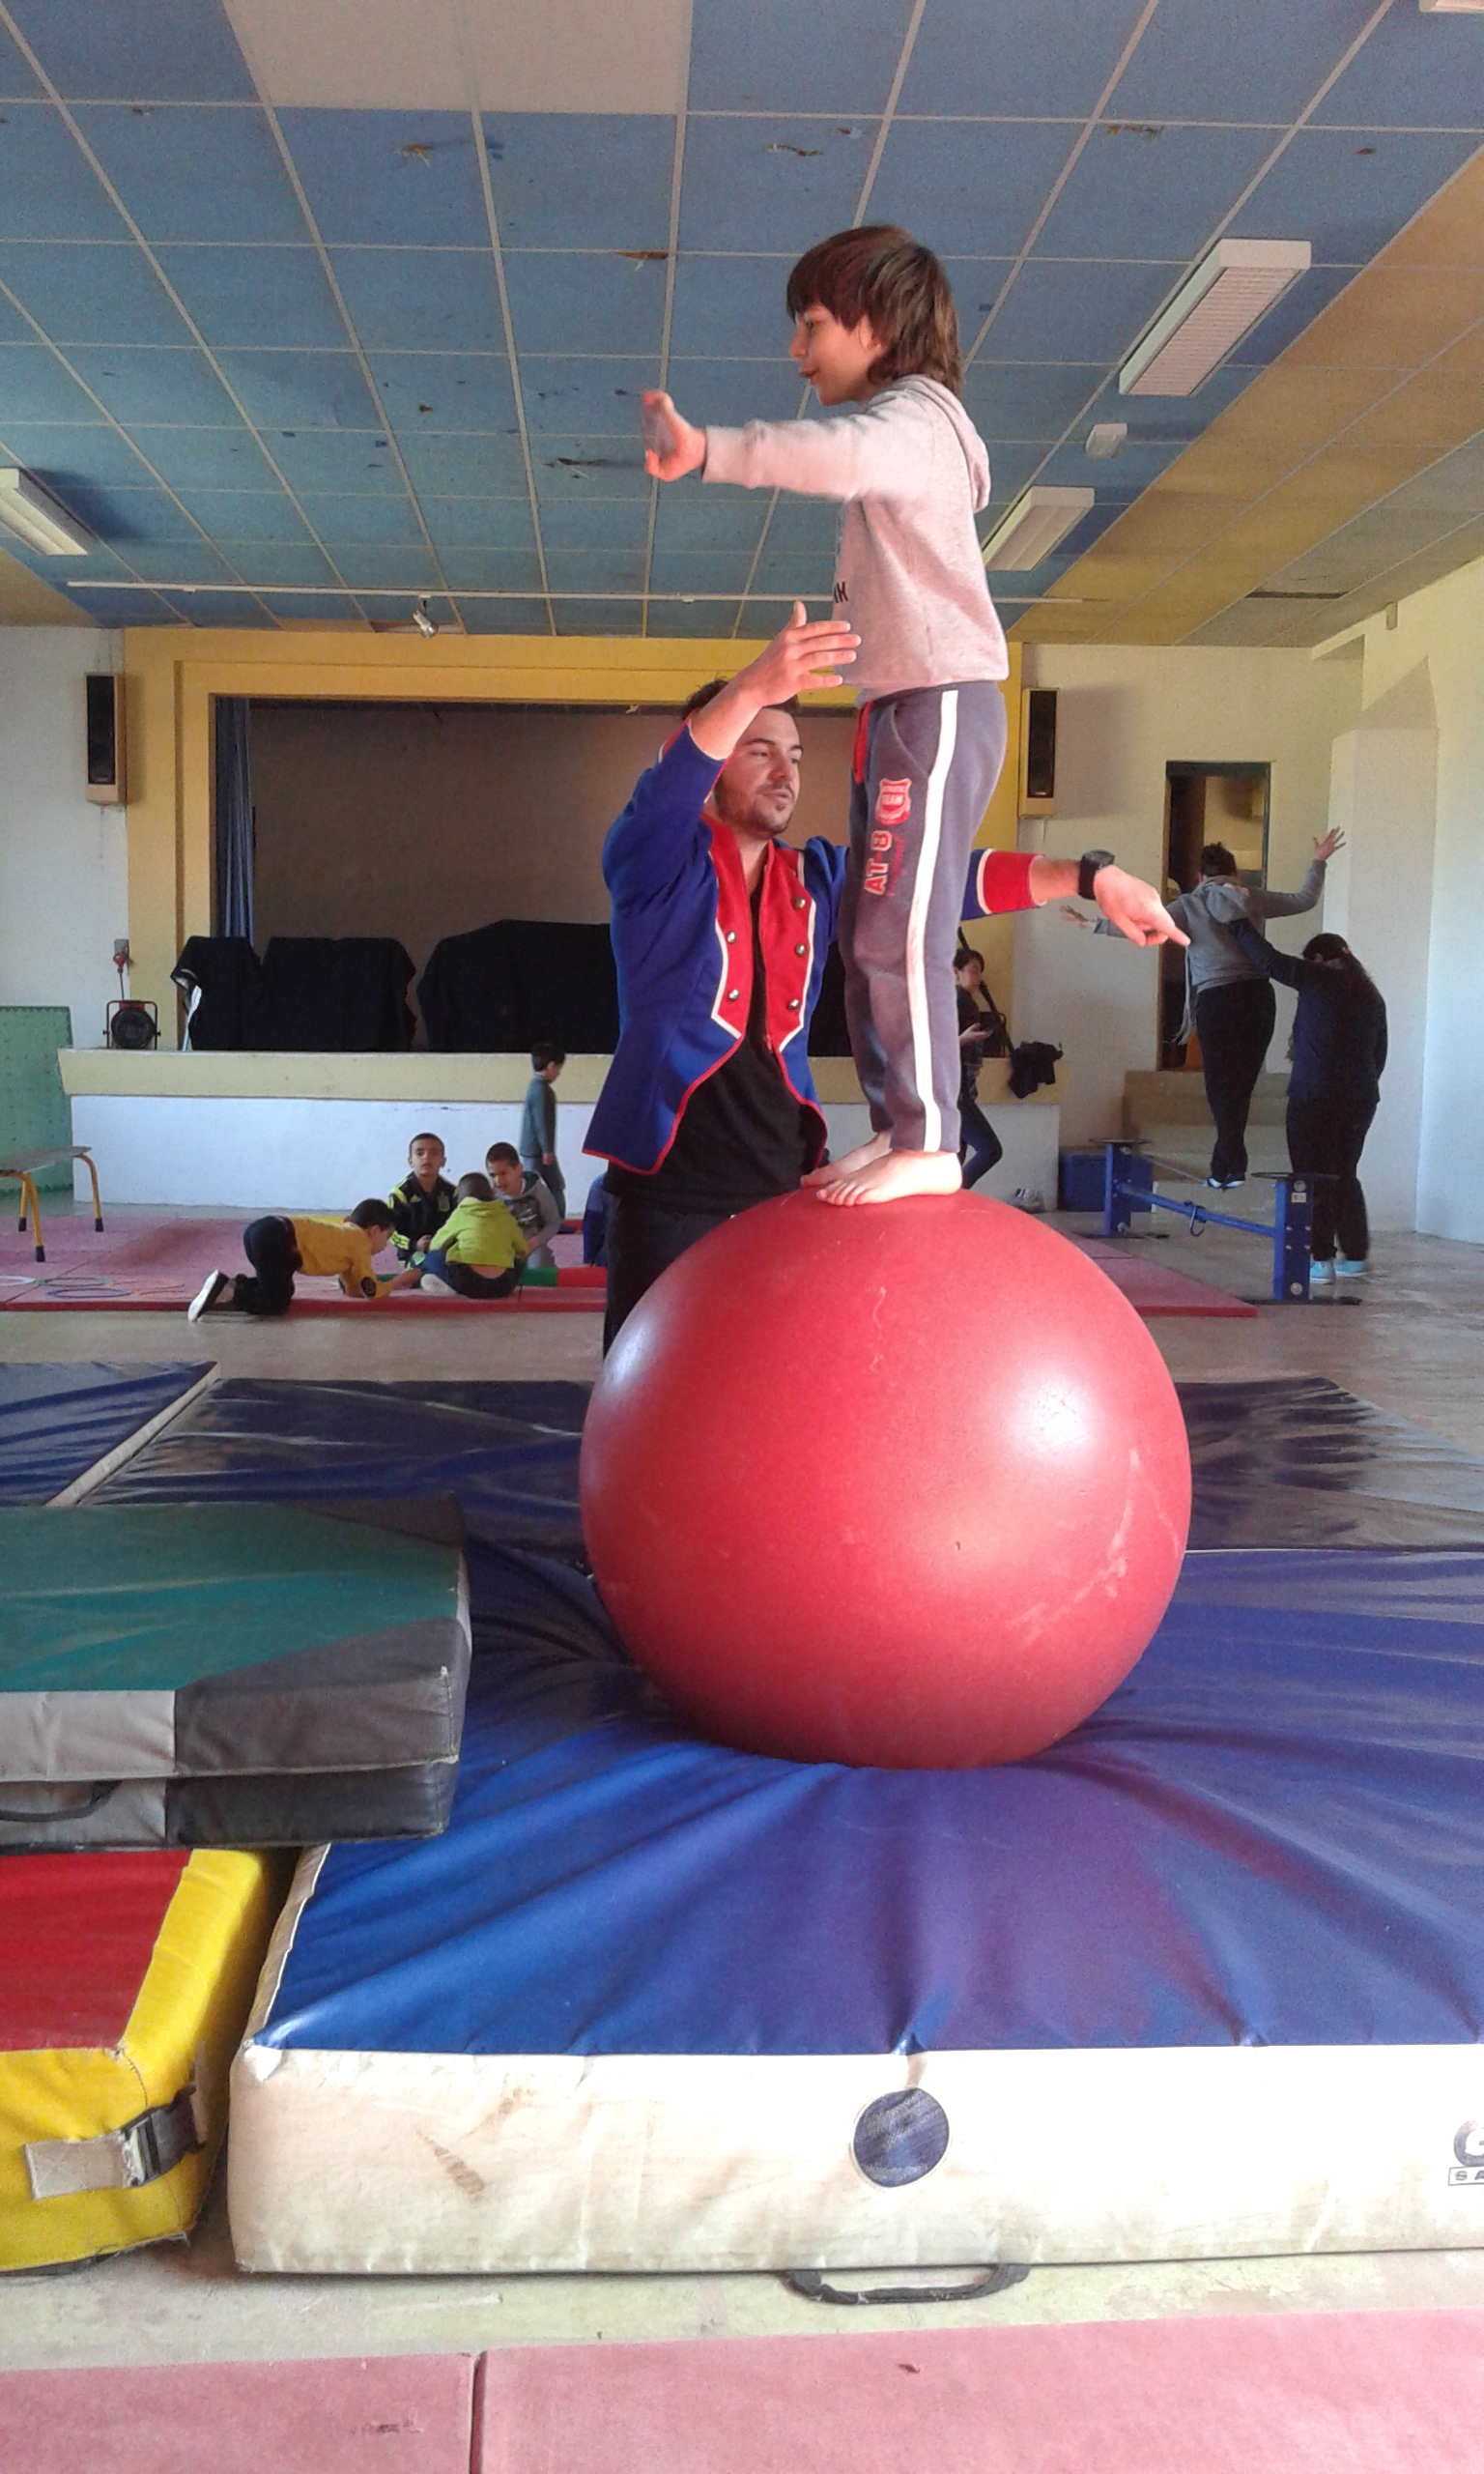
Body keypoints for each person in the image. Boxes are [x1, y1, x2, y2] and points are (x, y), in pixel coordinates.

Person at [643, 223, 1184, 1207]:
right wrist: (1087, 874)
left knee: (899, 928)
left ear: (878, 328)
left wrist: (713, 450)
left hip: (938, 703)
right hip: (901, 706)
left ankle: (932, 1138)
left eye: (811, 326)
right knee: (870, 920)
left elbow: (833, 457)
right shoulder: (914, 429)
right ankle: (902, 1125)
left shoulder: (913, 423)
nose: (796, 351)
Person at [586, 606, 1182, 1349]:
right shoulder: (650, 865)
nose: (785, 773)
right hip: (666, 1193)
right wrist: (750, 687)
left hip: (782, 1182)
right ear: (711, 767)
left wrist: (1087, 877)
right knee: (651, 1387)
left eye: (795, 756)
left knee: (772, 1380)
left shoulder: (817, 876)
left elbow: (938, 881)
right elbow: (665, 792)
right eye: (758, 751)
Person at [1078, 832, 1343, 1188]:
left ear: (1200, 876)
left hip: (1218, 1000)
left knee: (1221, 1087)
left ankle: (1229, 1167)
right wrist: (1318, 860)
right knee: (1242, 1086)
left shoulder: (1190, 905)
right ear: (1234, 873)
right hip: (1258, 997)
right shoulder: (1250, 897)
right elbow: (1303, 900)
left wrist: (1092, 924)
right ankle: (1226, 1166)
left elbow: (1142, 926)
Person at [1228, 922, 1387, 1282]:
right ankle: (1355, 1256)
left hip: (1314, 1096)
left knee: (1310, 1177)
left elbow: (1270, 961)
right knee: (1344, 1173)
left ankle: (1320, 1259)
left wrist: (1238, 925)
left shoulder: (1320, 979)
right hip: (1360, 1099)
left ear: (1316, 959)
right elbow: (1379, 1055)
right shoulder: (1370, 996)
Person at [187, 1200, 415, 1320]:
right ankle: (230, 1293)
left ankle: (232, 1284)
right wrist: (397, 1282)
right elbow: (370, 1290)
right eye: (386, 1238)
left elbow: (353, 1289)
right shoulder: (361, 1243)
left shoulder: (347, 1238)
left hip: (264, 1230)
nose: (384, 1247)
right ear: (373, 1231)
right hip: (279, 1240)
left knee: (280, 1287)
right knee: (277, 1303)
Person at [419, 1172, 528, 1300]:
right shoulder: (505, 1214)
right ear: (492, 1193)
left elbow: (436, 1244)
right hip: (502, 1285)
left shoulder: (462, 1212)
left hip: (468, 1282)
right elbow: (522, 1250)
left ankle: (450, 1287)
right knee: (518, 1261)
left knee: (432, 1257)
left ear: (459, 1198)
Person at [954, 944, 1007, 1191]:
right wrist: (962, 1040)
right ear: (956, 972)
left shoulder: (966, 1003)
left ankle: (951, 1202)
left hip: (961, 1090)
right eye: (973, 969)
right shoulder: (954, 1003)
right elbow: (933, 1049)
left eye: (979, 971)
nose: (979, 977)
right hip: (954, 1093)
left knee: (955, 1157)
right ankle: (959, 1195)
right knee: (990, 1149)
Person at [386, 1130, 457, 1268]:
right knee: (424, 1266)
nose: (426, 1157)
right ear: (410, 1161)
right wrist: (414, 1245)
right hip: (413, 1254)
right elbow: (390, 1232)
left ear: (443, 1161)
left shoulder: (452, 1192)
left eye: (434, 1153)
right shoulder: (400, 1194)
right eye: (420, 1153)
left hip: (443, 1251)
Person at [485, 1140, 561, 1268]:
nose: (498, 1181)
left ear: (519, 1169)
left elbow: (553, 1223)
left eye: (503, 1173)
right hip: (503, 1249)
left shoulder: (539, 1191)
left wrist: (534, 1242)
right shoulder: (490, 1196)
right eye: (493, 1175)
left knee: (538, 1264)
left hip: (534, 1247)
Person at [521, 1046, 566, 1220]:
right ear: (551, 1065)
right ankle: (530, 1221)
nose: (558, 1073)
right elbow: (541, 1122)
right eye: (558, 1068)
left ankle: (556, 1219)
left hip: (536, 1149)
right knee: (530, 1188)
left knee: (554, 1185)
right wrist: (547, 1149)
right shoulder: (541, 1089)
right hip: (537, 1150)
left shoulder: (536, 1086)